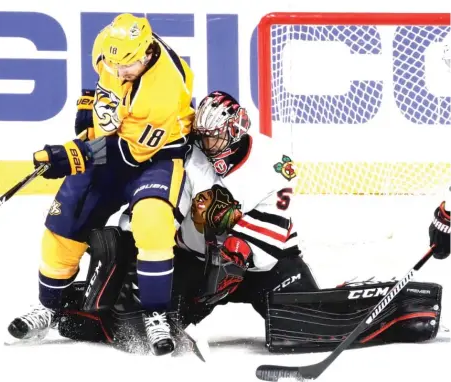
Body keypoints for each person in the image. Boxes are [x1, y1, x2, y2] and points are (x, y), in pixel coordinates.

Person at [54, 91, 445, 354]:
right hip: (196, 259)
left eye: (215, 137)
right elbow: (156, 205)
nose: (207, 145)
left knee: (306, 328)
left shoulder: (275, 162)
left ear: (234, 130)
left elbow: (275, 226)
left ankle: (372, 294)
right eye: (202, 137)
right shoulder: (187, 157)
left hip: (263, 264)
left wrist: (236, 251)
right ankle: (85, 299)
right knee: (151, 327)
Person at [7, 13, 194, 356]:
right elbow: (104, 85)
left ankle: (156, 314)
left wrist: (73, 154)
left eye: (128, 65)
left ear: (147, 51)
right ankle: (50, 306)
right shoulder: (110, 46)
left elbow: (125, 154)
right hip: (114, 146)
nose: (119, 70)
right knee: (69, 212)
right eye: (114, 62)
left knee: (152, 222)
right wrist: (88, 109)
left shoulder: (165, 89)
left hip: (155, 158)